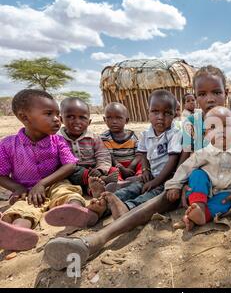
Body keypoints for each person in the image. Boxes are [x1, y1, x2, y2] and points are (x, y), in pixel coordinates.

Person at [44, 66, 231, 280]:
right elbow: (188, 164)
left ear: (225, 93)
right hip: (199, 185)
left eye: (216, 92)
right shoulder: (191, 125)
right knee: (164, 196)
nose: (209, 99)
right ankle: (93, 242)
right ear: (193, 96)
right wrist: (186, 189)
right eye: (201, 94)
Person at [0, 90, 93, 251]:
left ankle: (77, 212)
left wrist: (42, 183)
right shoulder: (8, 144)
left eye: (57, 114)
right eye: (49, 114)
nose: (57, 119)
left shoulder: (58, 141)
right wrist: (17, 188)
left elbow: (70, 165)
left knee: (68, 193)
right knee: (23, 208)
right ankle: (19, 233)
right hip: (27, 191)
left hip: (56, 183)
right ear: (24, 117)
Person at [166, 107, 231, 231]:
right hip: (204, 190)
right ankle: (198, 207)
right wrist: (174, 185)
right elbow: (185, 169)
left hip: (227, 191)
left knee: (226, 201)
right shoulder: (203, 153)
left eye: (226, 126)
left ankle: (200, 216)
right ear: (207, 134)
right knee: (197, 175)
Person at [93, 90, 182, 220]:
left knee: (149, 196)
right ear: (149, 112)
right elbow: (143, 153)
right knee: (134, 188)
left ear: (174, 115)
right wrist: (145, 170)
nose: (160, 117)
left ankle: (127, 208)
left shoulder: (175, 134)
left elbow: (172, 161)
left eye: (167, 113)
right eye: (155, 112)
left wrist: (157, 181)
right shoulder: (146, 134)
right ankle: (103, 204)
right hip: (151, 176)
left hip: (167, 180)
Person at [58, 98, 118, 194]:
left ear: (89, 122)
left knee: (113, 169)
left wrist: (100, 170)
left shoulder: (93, 137)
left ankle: (95, 189)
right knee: (69, 174)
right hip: (71, 173)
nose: (77, 121)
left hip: (94, 171)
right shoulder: (57, 139)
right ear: (61, 119)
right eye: (70, 117)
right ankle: (101, 181)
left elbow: (103, 155)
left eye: (82, 118)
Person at [101, 103, 141, 183]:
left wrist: (131, 166)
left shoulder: (132, 136)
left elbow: (139, 154)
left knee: (142, 163)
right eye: (109, 118)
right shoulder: (105, 137)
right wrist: (121, 168)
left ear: (126, 120)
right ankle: (119, 182)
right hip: (116, 165)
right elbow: (110, 157)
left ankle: (139, 177)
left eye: (118, 118)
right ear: (105, 120)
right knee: (111, 170)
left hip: (132, 165)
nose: (114, 121)